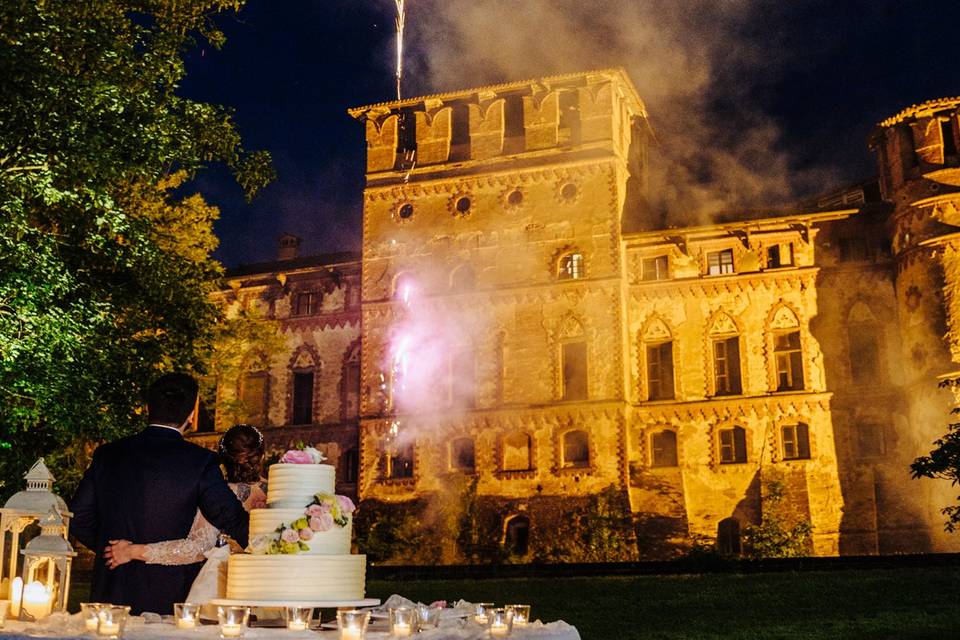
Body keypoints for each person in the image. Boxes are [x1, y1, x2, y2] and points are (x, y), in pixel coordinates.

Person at [69, 373, 250, 615]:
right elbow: (230, 517)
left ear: (146, 408)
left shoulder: (107, 455)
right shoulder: (201, 462)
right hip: (170, 596)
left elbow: (78, 517)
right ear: (191, 416)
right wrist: (271, 544)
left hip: (111, 590)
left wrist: (112, 549)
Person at [102, 424, 266, 571]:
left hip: (231, 579)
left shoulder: (218, 493)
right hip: (275, 580)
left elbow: (197, 548)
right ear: (262, 456)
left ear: (222, 459)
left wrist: (131, 551)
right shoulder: (277, 491)